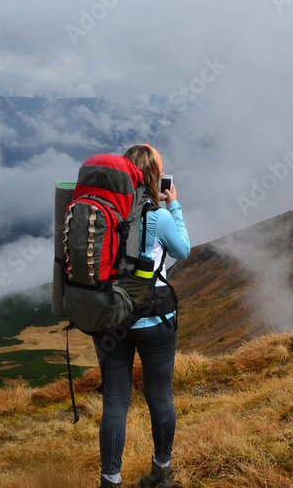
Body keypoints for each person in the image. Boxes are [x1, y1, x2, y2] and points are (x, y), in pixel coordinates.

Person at [93, 144, 190, 488]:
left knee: (115, 401)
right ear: (152, 177)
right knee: (160, 395)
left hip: (110, 318)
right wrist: (173, 206)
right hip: (154, 317)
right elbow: (183, 250)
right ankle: (160, 474)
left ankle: (110, 481)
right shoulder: (158, 215)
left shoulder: (104, 213)